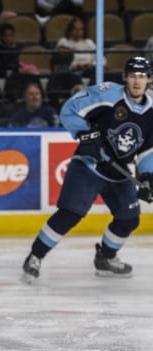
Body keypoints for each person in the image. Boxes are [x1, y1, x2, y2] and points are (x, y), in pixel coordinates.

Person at [22, 56, 153, 282]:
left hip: (118, 170)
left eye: (142, 76)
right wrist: (87, 136)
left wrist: (148, 177)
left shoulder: (151, 112)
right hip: (89, 164)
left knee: (128, 218)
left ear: (149, 79)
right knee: (70, 213)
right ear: (125, 77)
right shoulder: (108, 94)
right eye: (132, 76)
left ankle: (105, 258)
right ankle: (35, 256)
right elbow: (69, 110)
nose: (137, 81)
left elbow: (148, 149)